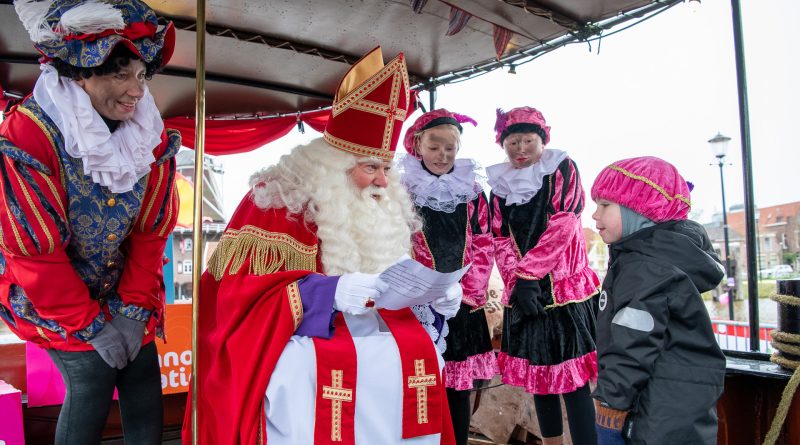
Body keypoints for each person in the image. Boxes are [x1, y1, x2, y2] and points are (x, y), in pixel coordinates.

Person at [183, 47, 459, 445]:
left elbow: (400, 282)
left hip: (377, 349)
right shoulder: (277, 200)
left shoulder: (384, 205)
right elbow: (235, 299)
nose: (383, 181)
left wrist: (432, 301)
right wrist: (327, 293)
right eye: (370, 168)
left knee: (421, 357)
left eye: (386, 167)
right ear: (335, 167)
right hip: (302, 349)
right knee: (298, 378)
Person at [0, 1, 178, 444]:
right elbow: (32, 250)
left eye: (140, 75)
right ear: (80, 74)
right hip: (50, 290)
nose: (136, 90)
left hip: (120, 286)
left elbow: (150, 232)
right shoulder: (30, 133)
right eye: (120, 75)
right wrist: (89, 324)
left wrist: (133, 310)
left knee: (142, 371)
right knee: (93, 375)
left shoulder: (146, 133)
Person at [590, 156, 726, 445]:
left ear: (637, 211)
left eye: (604, 205)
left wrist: (611, 405)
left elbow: (632, 342)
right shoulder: (652, 261)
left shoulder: (645, 268)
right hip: (677, 408)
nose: (594, 215)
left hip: (653, 414)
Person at [487, 107, 599, 445]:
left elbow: (564, 222)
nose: (520, 149)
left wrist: (529, 275)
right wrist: (516, 283)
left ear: (542, 140)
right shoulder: (499, 188)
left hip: (564, 291)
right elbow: (500, 239)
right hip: (526, 294)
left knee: (574, 381)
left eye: (528, 141)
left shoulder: (561, 168)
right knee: (541, 379)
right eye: (512, 143)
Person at [400, 109, 498, 445]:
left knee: (459, 390)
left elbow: (484, 243)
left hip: (461, 304)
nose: (443, 155)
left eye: (450, 149)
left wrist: (468, 291)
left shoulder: (471, 191)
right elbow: (394, 242)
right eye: (434, 147)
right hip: (417, 305)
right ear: (417, 145)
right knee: (420, 385)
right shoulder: (403, 190)